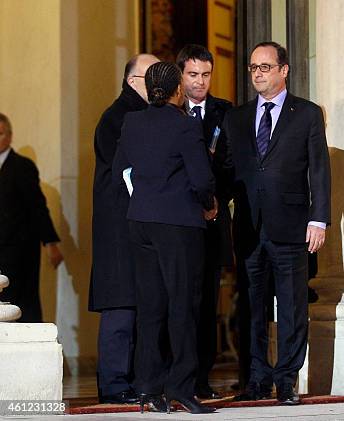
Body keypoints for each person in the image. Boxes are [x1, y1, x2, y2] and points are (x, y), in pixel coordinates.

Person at [224, 42, 331, 405]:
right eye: (253, 67)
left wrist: (319, 219)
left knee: (290, 307)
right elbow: (226, 172)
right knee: (252, 307)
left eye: (265, 67)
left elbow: (319, 169)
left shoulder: (307, 114)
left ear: (284, 70)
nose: (258, 73)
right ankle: (257, 380)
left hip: (293, 225)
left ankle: (286, 380)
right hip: (250, 229)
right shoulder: (236, 118)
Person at [112, 61, 217, 414]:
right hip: (178, 225)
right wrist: (209, 205)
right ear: (176, 90)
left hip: (140, 220)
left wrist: (143, 197)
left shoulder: (133, 122)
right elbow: (202, 180)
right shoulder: (186, 126)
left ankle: (147, 388)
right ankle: (182, 389)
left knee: (151, 307)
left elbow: (120, 171)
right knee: (183, 306)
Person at [89, 53, 159, 405]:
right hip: (120, 227)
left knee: (138, 305)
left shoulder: (142, 115)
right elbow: (128, 169)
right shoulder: (118, 117)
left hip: (136, 223)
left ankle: (131, 380)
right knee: (120, 305)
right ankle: (115, 383)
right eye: (153, 75)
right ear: (134, 81)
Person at [176, 44, 233, 400]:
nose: (200, 82)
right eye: (193, 75)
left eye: (206, 75)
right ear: (181, 75)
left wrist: (213, 202)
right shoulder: (168, 112)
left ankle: (201, 378)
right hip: (179, 220)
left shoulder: (226, 113)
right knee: (180, 299)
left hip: (212, 221)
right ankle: (177, 376)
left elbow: (232, 165)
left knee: (207, 301)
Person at [0, 113, 63, 322]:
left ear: (9, 136)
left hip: (19, 251)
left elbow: (38, 207)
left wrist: (50, 242)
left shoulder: (22, 166)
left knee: (22, 303)